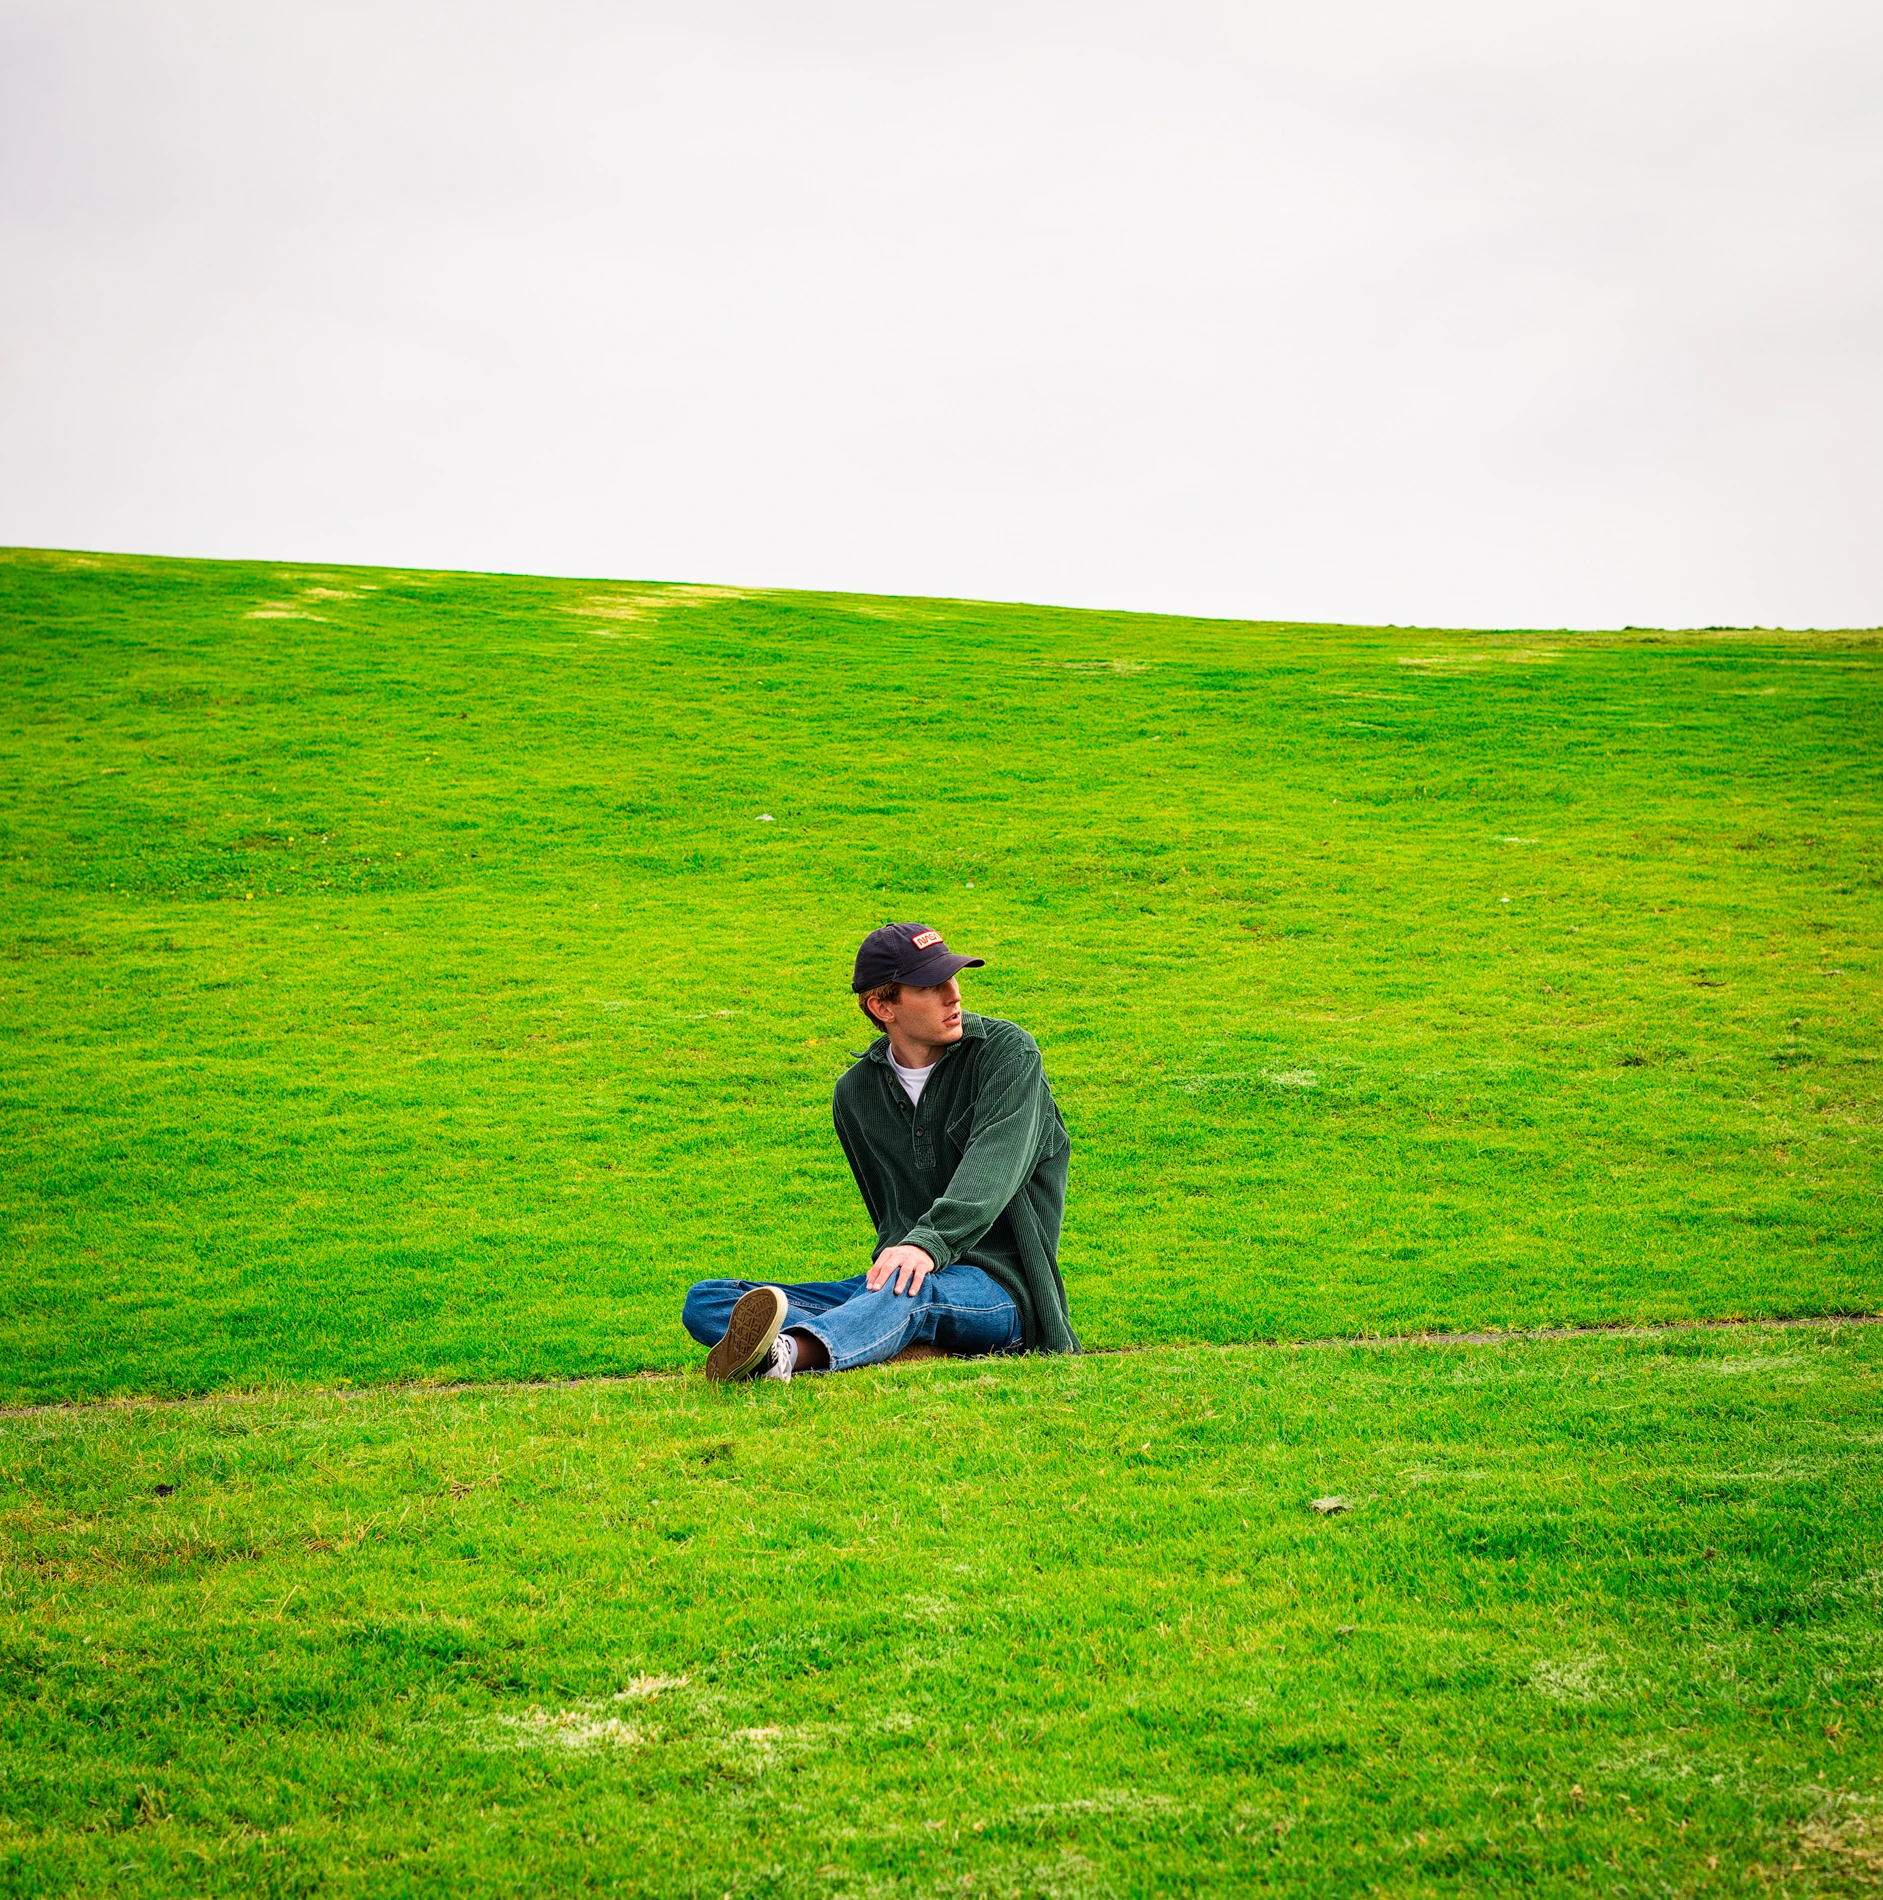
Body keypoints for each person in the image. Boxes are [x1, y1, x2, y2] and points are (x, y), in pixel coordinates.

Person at [683, 922, 1078, 1382]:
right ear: (881, 1005)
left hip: (1002, 1289)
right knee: (709, 1301)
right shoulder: (855, 1093)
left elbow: (993, 1169)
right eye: (932, 986)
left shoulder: (1007, 1054)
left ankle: (787, 1356)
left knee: (910, 1292)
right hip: (903, 1277)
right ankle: (887, 1336)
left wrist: (926, 1244)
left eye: (954, 978)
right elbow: (888, 1212)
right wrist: (900, 1259)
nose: (954, 995)